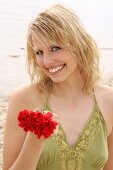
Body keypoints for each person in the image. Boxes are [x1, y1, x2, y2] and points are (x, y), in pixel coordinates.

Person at [3, 4, 113, 170]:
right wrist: (34, 143)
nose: (46, 61)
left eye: (55, 48)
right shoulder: (23, 98)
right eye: (39, 52)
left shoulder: (109, 100)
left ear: (79, 45)